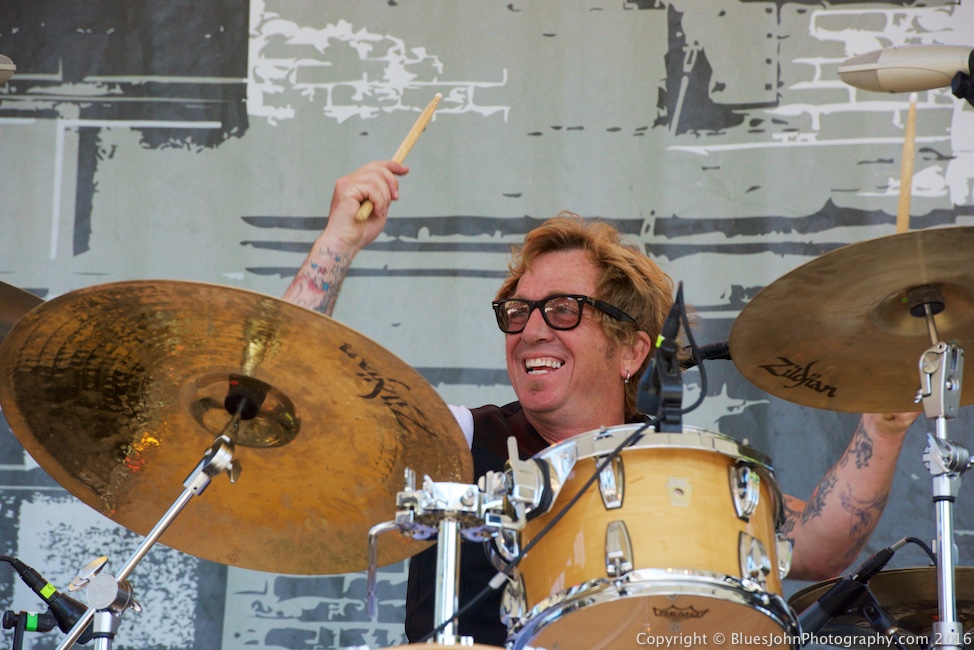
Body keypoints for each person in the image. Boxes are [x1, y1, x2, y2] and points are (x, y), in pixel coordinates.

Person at [283, 160, 919, 646]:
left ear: (632, 350)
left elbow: (818, 547)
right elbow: (291, 407)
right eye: (518, 312)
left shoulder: (678, 474)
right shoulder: (456, 439)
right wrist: (339, 241)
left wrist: (884, 429)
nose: (532, 329)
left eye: (562, 310)